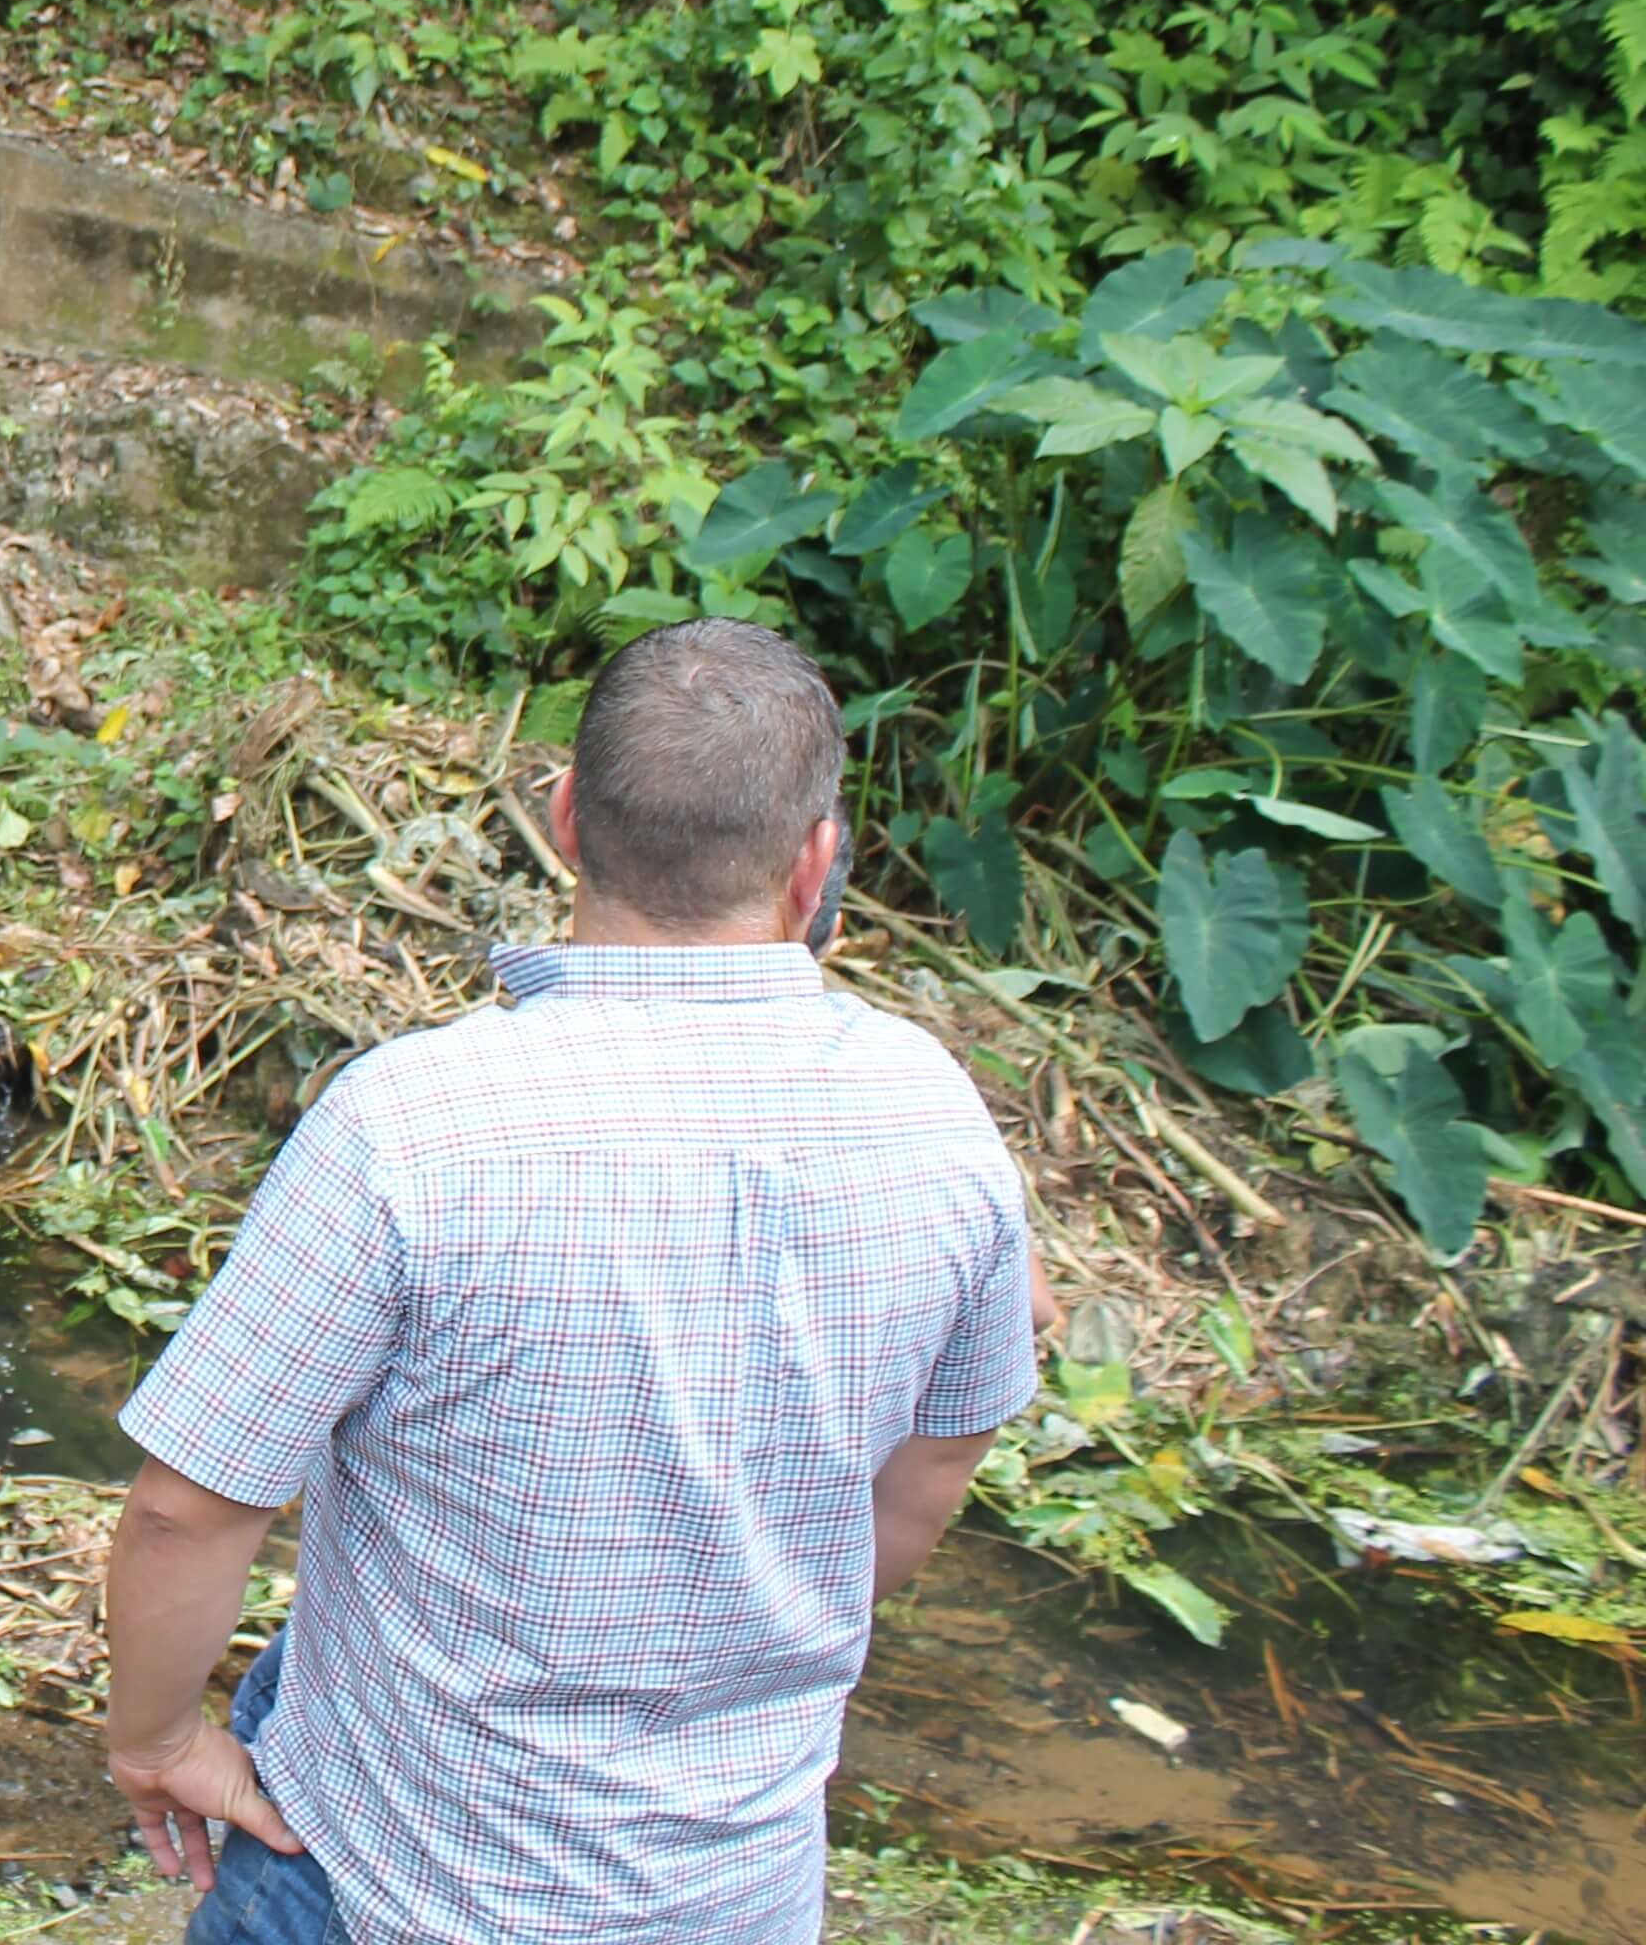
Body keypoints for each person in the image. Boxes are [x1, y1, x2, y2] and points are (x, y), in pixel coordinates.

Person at [98, 617, 1038, 1945]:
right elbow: (923, 1486)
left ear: (564, 821)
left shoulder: (411, 1123)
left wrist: (156, 1739)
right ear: (816, 860)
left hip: (387, 1879)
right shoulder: (939, 1123)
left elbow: (188, 1510)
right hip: (735, 1896)